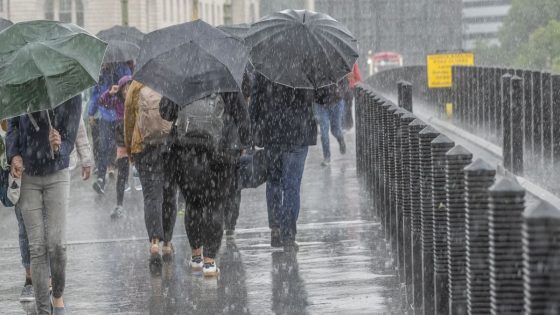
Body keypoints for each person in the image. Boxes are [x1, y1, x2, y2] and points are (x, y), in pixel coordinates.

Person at [159, 91, 251, 277]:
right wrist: (245, 141)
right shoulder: (225, 79)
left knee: (193, 203)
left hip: (185, 153)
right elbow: (242, 116)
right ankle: (209, 262)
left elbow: (165, 112)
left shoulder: (182, 77)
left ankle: (196, 256)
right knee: (215, 205)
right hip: (220, 152)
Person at [7, 96, 82, 315]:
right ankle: (43, 311)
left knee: (57, 245)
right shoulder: (23, 87)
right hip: (28, 174)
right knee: (37, 248)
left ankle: (57, 296)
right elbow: (12, 126)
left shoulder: (70, 90)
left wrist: (61, 145)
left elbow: (72, 131)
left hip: (57, 173)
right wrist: (14, 155)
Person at [250, 73, 317, 250]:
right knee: (291, 184)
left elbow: (255, 100)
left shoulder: (265, 66)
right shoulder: (307, 64)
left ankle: (275, 228)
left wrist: (253, 128)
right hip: (299, 132)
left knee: (273, 180)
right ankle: (288, 235)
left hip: (272, 131)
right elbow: (321, 97)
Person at [124, 80, 176, 263]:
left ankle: (154, 242)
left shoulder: (137, 84)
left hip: (144, 147)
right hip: (170, 146)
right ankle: (168, 243)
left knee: (152, 196)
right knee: (169, 194)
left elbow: (129, 119)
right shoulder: (173, 79)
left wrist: (130, 149)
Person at [88, 62, 132, 194]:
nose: (104, 64)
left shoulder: (123, 69)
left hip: (121, 117)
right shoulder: (100, 73)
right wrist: (91, 112)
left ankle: (124, 180)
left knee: (123, 149)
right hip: (105, 115)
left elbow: (130, 87)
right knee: (103, 146)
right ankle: (101, 178)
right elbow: (95, 95)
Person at [99, 75, 132, 219]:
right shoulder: (117, 101)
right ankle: (119, 204)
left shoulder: (137, 101)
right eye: (125, 88)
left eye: (130, 88)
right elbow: (102, 101)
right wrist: (110, 92)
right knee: (122, 174)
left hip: (136, 140)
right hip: (122, 141)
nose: (128, 91)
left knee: (142, 173)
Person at [314, 80, 347, 167]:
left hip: (337, 102)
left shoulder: (336, 69)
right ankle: (327, 157)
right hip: (321, 105)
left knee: (335, 130)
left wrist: (339, 90)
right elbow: (311, 90)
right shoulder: (314, 72)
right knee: (324, 132)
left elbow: (345, 83)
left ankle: (340, 139)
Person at [343, 63, 362, 130]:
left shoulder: (336, 63)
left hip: (340, 90)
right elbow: (358, 77)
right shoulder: (352, 63)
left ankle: (345, 125)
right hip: (349, 90)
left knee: (344, 108)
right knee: (347, 108)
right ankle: (348, 124)